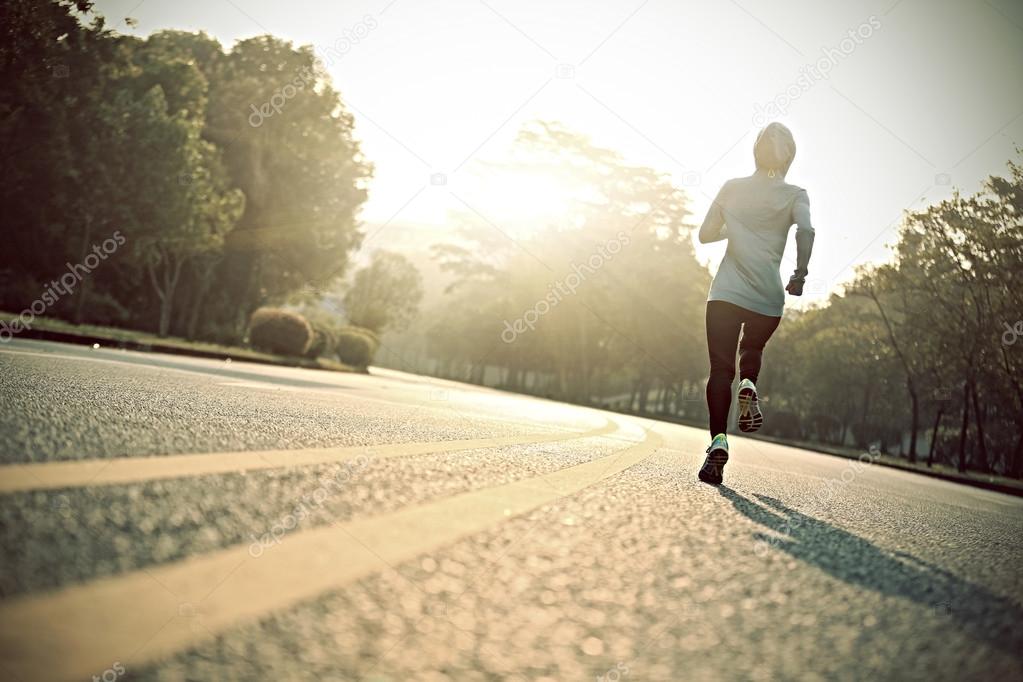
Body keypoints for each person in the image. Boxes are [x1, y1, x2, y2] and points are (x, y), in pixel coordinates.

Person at [695, 122, 815, 485]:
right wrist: (800, 274)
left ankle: (718, 441)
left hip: (725, 295)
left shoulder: (731, 188)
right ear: (789, 156)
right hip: (768, 298)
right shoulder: (796, 193)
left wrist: (736, 228)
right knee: (753, 347)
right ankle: (750, 383)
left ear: (756, 151)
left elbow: (704, 236)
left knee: (719, 370)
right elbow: (807, 231)